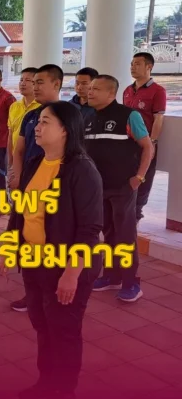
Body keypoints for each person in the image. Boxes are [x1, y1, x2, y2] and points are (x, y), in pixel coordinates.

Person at [2, 101, 102, 399]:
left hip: (65, 266)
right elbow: (21, 211)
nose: (37, 127)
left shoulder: (81, 170)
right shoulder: (35, 163)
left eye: (45, 121)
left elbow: (89, 229)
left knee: (63, 331)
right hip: (35, 261)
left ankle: (64, 391)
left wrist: (71, 273)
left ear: (65, 130)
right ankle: (46, 381)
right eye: (38, 121)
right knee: (43, 325)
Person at [86, 75, 153, 303]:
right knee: (108, 233)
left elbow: (147, 147)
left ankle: (131, 282)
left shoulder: (129, 115)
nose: (90, 92)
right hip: (98, 188)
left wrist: (139, 177)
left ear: (111, 93)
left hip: (123, 186)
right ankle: (111, 276)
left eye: (96, 89)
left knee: (125, 235)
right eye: (90, 88)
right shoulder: (88, 117)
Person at [8, 64, 65, 313]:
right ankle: (31, 292)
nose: (34, 86)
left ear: (57, 84)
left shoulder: (68, 115)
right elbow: (19, 149)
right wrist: (17, 175)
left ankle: (54, 289)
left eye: (40, 82)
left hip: (55, 188)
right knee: (26, 234)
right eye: (33, 82)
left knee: (51, 236)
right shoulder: (30, 116)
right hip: (29, 183)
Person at [124, 52, 166, 222]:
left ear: (149, 67)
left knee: (144, 179)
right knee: (126, 176)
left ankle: (136, 215)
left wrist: (152, 142)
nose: (133, 67)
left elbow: (158, 119)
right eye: (132, 64)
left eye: (137, 64)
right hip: (127, 143)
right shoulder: (127, 90)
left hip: (145, 143)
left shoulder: (158, 91)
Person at [7, 67, 40, 175]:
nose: (23, 83)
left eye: (28, 80)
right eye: (21, 80)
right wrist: (10, 161)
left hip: (35, 161)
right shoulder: (14, 106)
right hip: (16, 160)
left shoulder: (42, 107)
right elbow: (11, 134)